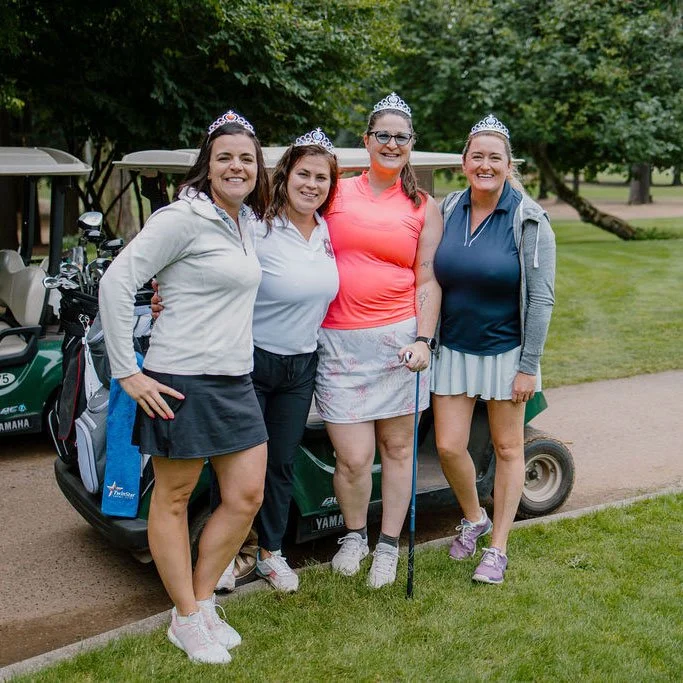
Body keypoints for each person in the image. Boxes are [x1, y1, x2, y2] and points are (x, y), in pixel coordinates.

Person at [98, 110, 270, 664]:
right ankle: (189, 619)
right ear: (208, 164)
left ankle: (197, 602)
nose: (236, 166)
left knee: (246, 495)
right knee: (173, 499)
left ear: (256, 167)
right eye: (225, 157)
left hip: (233, 378)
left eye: (246, 158)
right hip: (179, 378)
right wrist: (128, 370)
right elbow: (117, 280)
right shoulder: (183, 217)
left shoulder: (243, 220)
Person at [316, 92, 443, 588]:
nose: (392, 143)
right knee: (351, 457)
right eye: (383, 135)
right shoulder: (336, 193)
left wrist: (425, 339)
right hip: (339, 343)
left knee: (396, 449)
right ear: (367, 140)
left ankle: (388, 544)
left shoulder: (422, 206)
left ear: (411, 144)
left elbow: (427, 279)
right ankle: (354, 535)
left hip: (398, 344)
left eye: (401, 137)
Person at [213, 128, 340, 593]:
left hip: (300, 366)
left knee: (281, 463)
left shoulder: (328, 231)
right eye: (303, 174)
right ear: (285, 176)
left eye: (321, 178)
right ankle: (224, 555)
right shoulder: (257, 224)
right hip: (253, 362)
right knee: (236, 464)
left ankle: (271, 553)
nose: (312, 184)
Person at [431, 114, 556, 584]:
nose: (485, 165)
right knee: (447, 446)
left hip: (507, 352)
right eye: (476, 156)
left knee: (507, 448)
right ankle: (474, 518)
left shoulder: (529, 218)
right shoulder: (449, 208)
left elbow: (541, 297)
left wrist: (529, 366)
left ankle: (498, 547)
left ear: (509, 165)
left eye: (494, 158)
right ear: (464, 162)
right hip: (454, 350)